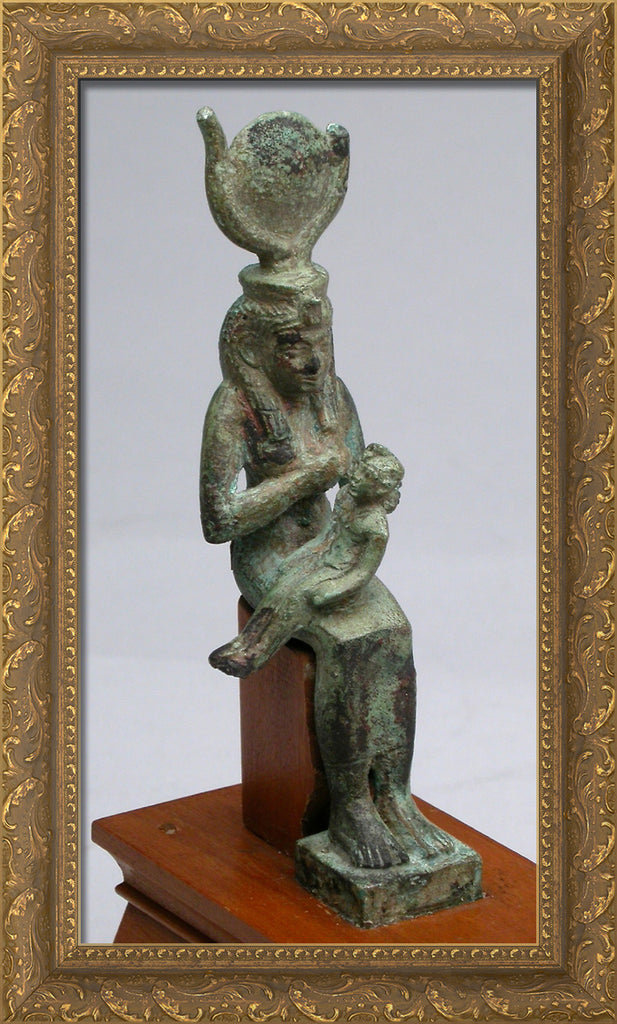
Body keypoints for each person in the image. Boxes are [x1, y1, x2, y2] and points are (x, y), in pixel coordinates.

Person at [200, 286, 453, 868]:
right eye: (292, 345)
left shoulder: (332, 395)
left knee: (393, 630)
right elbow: (219, 519)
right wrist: (306, 476)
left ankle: (393, 794)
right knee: (345, 639)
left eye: (319, 341)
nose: (312, 360)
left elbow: (356, 476)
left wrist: (369, 509)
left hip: (332, 541)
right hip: (269, 556)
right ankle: (350, 805)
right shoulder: (234, 407)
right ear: (254, 350)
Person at [209, 444, 405, 679]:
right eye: (360, 470)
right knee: (279, 591)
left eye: (366, 477)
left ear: (380, 489)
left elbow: (362, 572)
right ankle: (243, 643)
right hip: (321, 556)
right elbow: (330, 534)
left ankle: (254, 655)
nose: (356, 477)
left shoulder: (375, 528)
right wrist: (305, 555)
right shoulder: (346, 497)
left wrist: (333, 590)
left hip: (338, 571)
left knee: (294, 601)